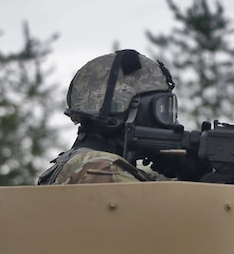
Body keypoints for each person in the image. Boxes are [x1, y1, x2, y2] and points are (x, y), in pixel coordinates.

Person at [38, 49, 178, 185]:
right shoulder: (100, 167)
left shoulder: (79, 163)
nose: (173, 124)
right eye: (160, 111)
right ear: (120, 111)